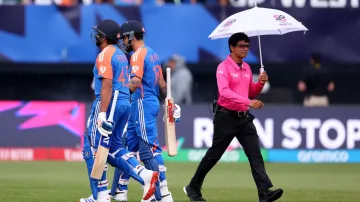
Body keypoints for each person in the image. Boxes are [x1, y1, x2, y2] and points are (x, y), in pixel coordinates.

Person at [183, 33, 283, 202]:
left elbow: (249, 91)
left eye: (247, 46)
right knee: (214, 155)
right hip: (226, 117)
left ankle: (264, 193)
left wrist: (260, 84)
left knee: (255, 154)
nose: (245, 49)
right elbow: (224, 92)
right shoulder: (223, 67)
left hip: (244, 118)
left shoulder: (247, 68)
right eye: (241, 46)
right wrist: (248, 101)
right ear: (232, 47)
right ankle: (193, 187)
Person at [80, 19, 159, 202]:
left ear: (103, 37)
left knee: (91, 147)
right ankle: (145, 175)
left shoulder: (104, 54)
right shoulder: (121, 54)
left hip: (109, 103)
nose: (96, 36)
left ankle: (100, 195)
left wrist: (101, 113)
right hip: (125, 102)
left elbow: (106, 84)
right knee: (114, 147)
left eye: (98, 33)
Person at [108, 20, 181, 202]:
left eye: (125, 37)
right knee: (126, 147)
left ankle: (163, 193)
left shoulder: (137, 55)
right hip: (148, 102)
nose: (123, 41)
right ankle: (119, 190)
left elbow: (135, 82)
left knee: (149, 149)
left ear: (131, 36)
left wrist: (118, 97)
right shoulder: (153, 54)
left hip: (141, 102)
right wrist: (170, 102)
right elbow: (163, 84)